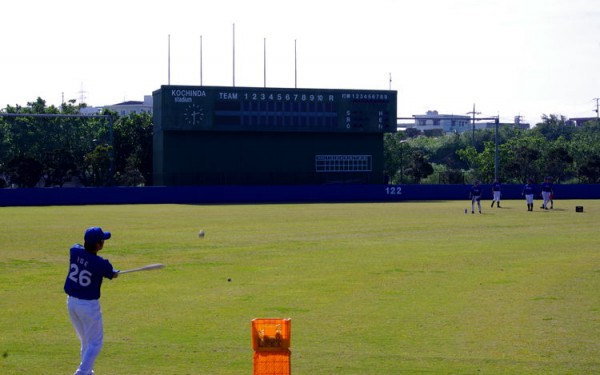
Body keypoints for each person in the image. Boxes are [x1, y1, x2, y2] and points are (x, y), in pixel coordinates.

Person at [64, 227, 120, 375]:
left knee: (86, 341)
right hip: (88, 306)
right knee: (95, 343)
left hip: (71, 304)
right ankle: (82, 372)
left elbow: (77, 247)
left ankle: (87, 372)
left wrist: (110, 272)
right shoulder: (101, 264)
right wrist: (113, 273)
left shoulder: (74, 251)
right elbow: (110, 272)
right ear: (98, 245)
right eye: (102, 240)